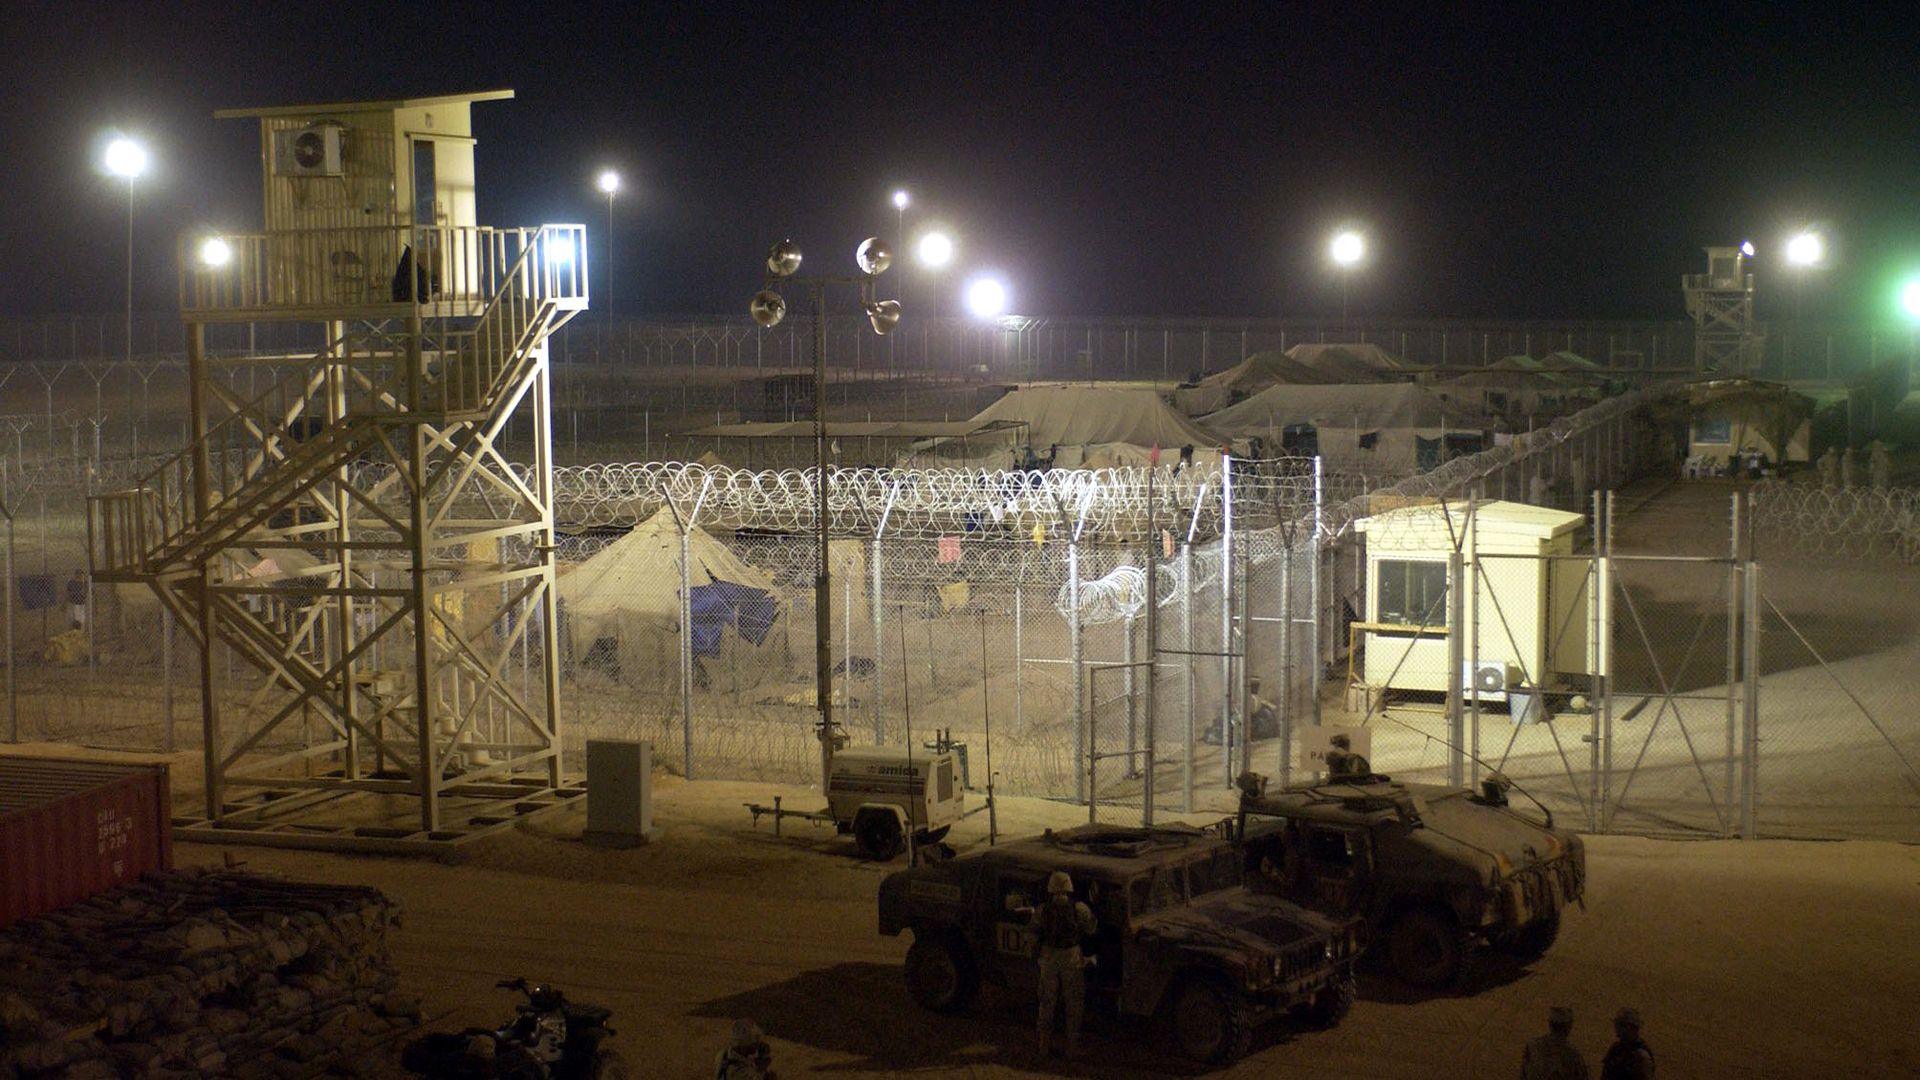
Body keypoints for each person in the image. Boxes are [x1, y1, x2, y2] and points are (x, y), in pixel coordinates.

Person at [1021, 870, 1096, 1057]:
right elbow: (1092, 929)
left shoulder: (1042, 910)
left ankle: (1043, 1046)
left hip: (1048, 958)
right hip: (1071, 957)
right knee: (1074, 1003)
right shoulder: (1079, 908)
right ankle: (1071, 1047)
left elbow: (1031, 935)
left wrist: (1035, 955)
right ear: (1069, 887)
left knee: (1047, 1002)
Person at [1522, 1005, 1590, 1080]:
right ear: (1568, 1027)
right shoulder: (1573, 1055)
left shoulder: (1533, 1047)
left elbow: (1524, 1075)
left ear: (1550, 1024)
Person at [1600, 1007, 1654, 1079]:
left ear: (1630, 1027)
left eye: (1621, 1025)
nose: (1617, 1028)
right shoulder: (1615, 1050)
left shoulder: (1641, 1055)